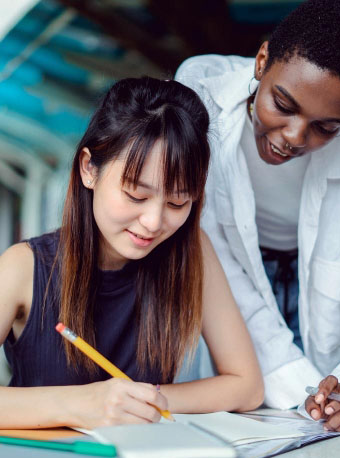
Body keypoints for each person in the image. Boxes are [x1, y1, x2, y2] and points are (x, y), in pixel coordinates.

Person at [176, 0, 340, 431]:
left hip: (321, 298)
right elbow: (212, 252)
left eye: (327, 127)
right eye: (283, 104)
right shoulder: (199, 96)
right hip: (227, 277)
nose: (295, 137)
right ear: (261, 62)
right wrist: (303, 387)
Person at [0, 77, 264, 429]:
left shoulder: (192, 251)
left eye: (177, 201)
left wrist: (143, 402)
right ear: (89, 169)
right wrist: (81, 403)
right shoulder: (23, 266)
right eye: (136, 196)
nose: (154, 222)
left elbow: (247, 386)